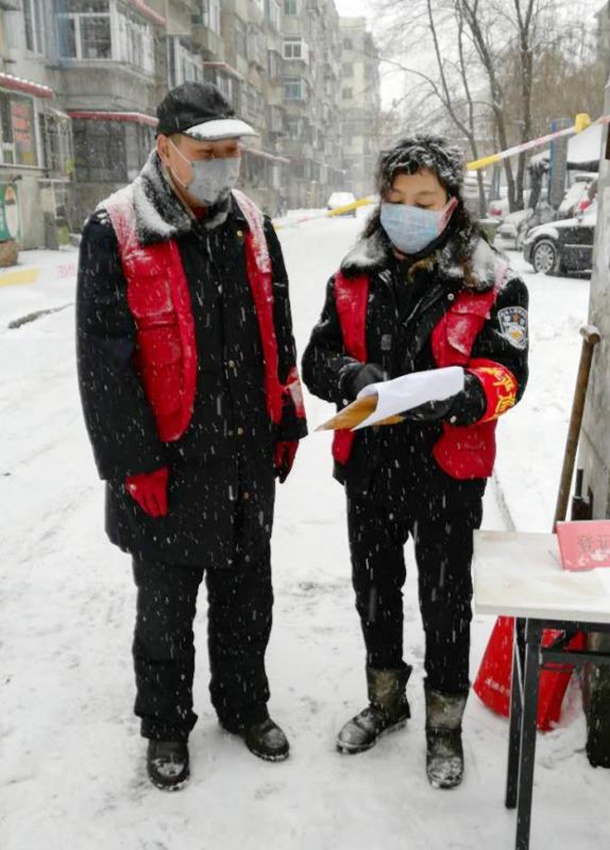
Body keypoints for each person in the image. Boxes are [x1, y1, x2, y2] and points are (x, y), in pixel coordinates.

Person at [76, 82, 307, 791]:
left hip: (244, 454)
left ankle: (244, 705)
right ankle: (167, 725)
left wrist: (287, 415)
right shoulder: (117, 230)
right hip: (168, 465)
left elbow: (279, 330)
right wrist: (132, 463)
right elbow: (104, 362)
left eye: (231, 151)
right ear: (166, 150)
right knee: (166, 613)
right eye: (207, 152)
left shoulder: (251, 223)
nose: (222, 165)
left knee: (247, 599)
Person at [302, 135, 528, 789]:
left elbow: (509, 374)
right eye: (395, 199)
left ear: (451, 204)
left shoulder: (495, 282)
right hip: (370, 466)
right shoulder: (352, 276)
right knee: (375, 593)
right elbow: (316, 359)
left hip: (447, 472)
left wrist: (465, 392)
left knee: (445, 599)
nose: (406, 211)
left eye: (423, 200)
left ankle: (444, 724)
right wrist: (350, 376)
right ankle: (385, 701)